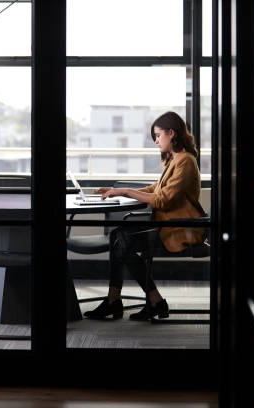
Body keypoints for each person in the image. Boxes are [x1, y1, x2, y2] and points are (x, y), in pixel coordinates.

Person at [84, 111, 207, 321]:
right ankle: (146, 300)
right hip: (169, 226)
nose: (157, 141)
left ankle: (129, 301)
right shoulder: (175, 160)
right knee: (119, 238)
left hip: (181, 228)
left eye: (158, 136)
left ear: (171, 133)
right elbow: (155, 188)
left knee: (121, 240)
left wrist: (124, 192)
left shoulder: (185, 161)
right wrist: (117, 190)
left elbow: (162, 200)